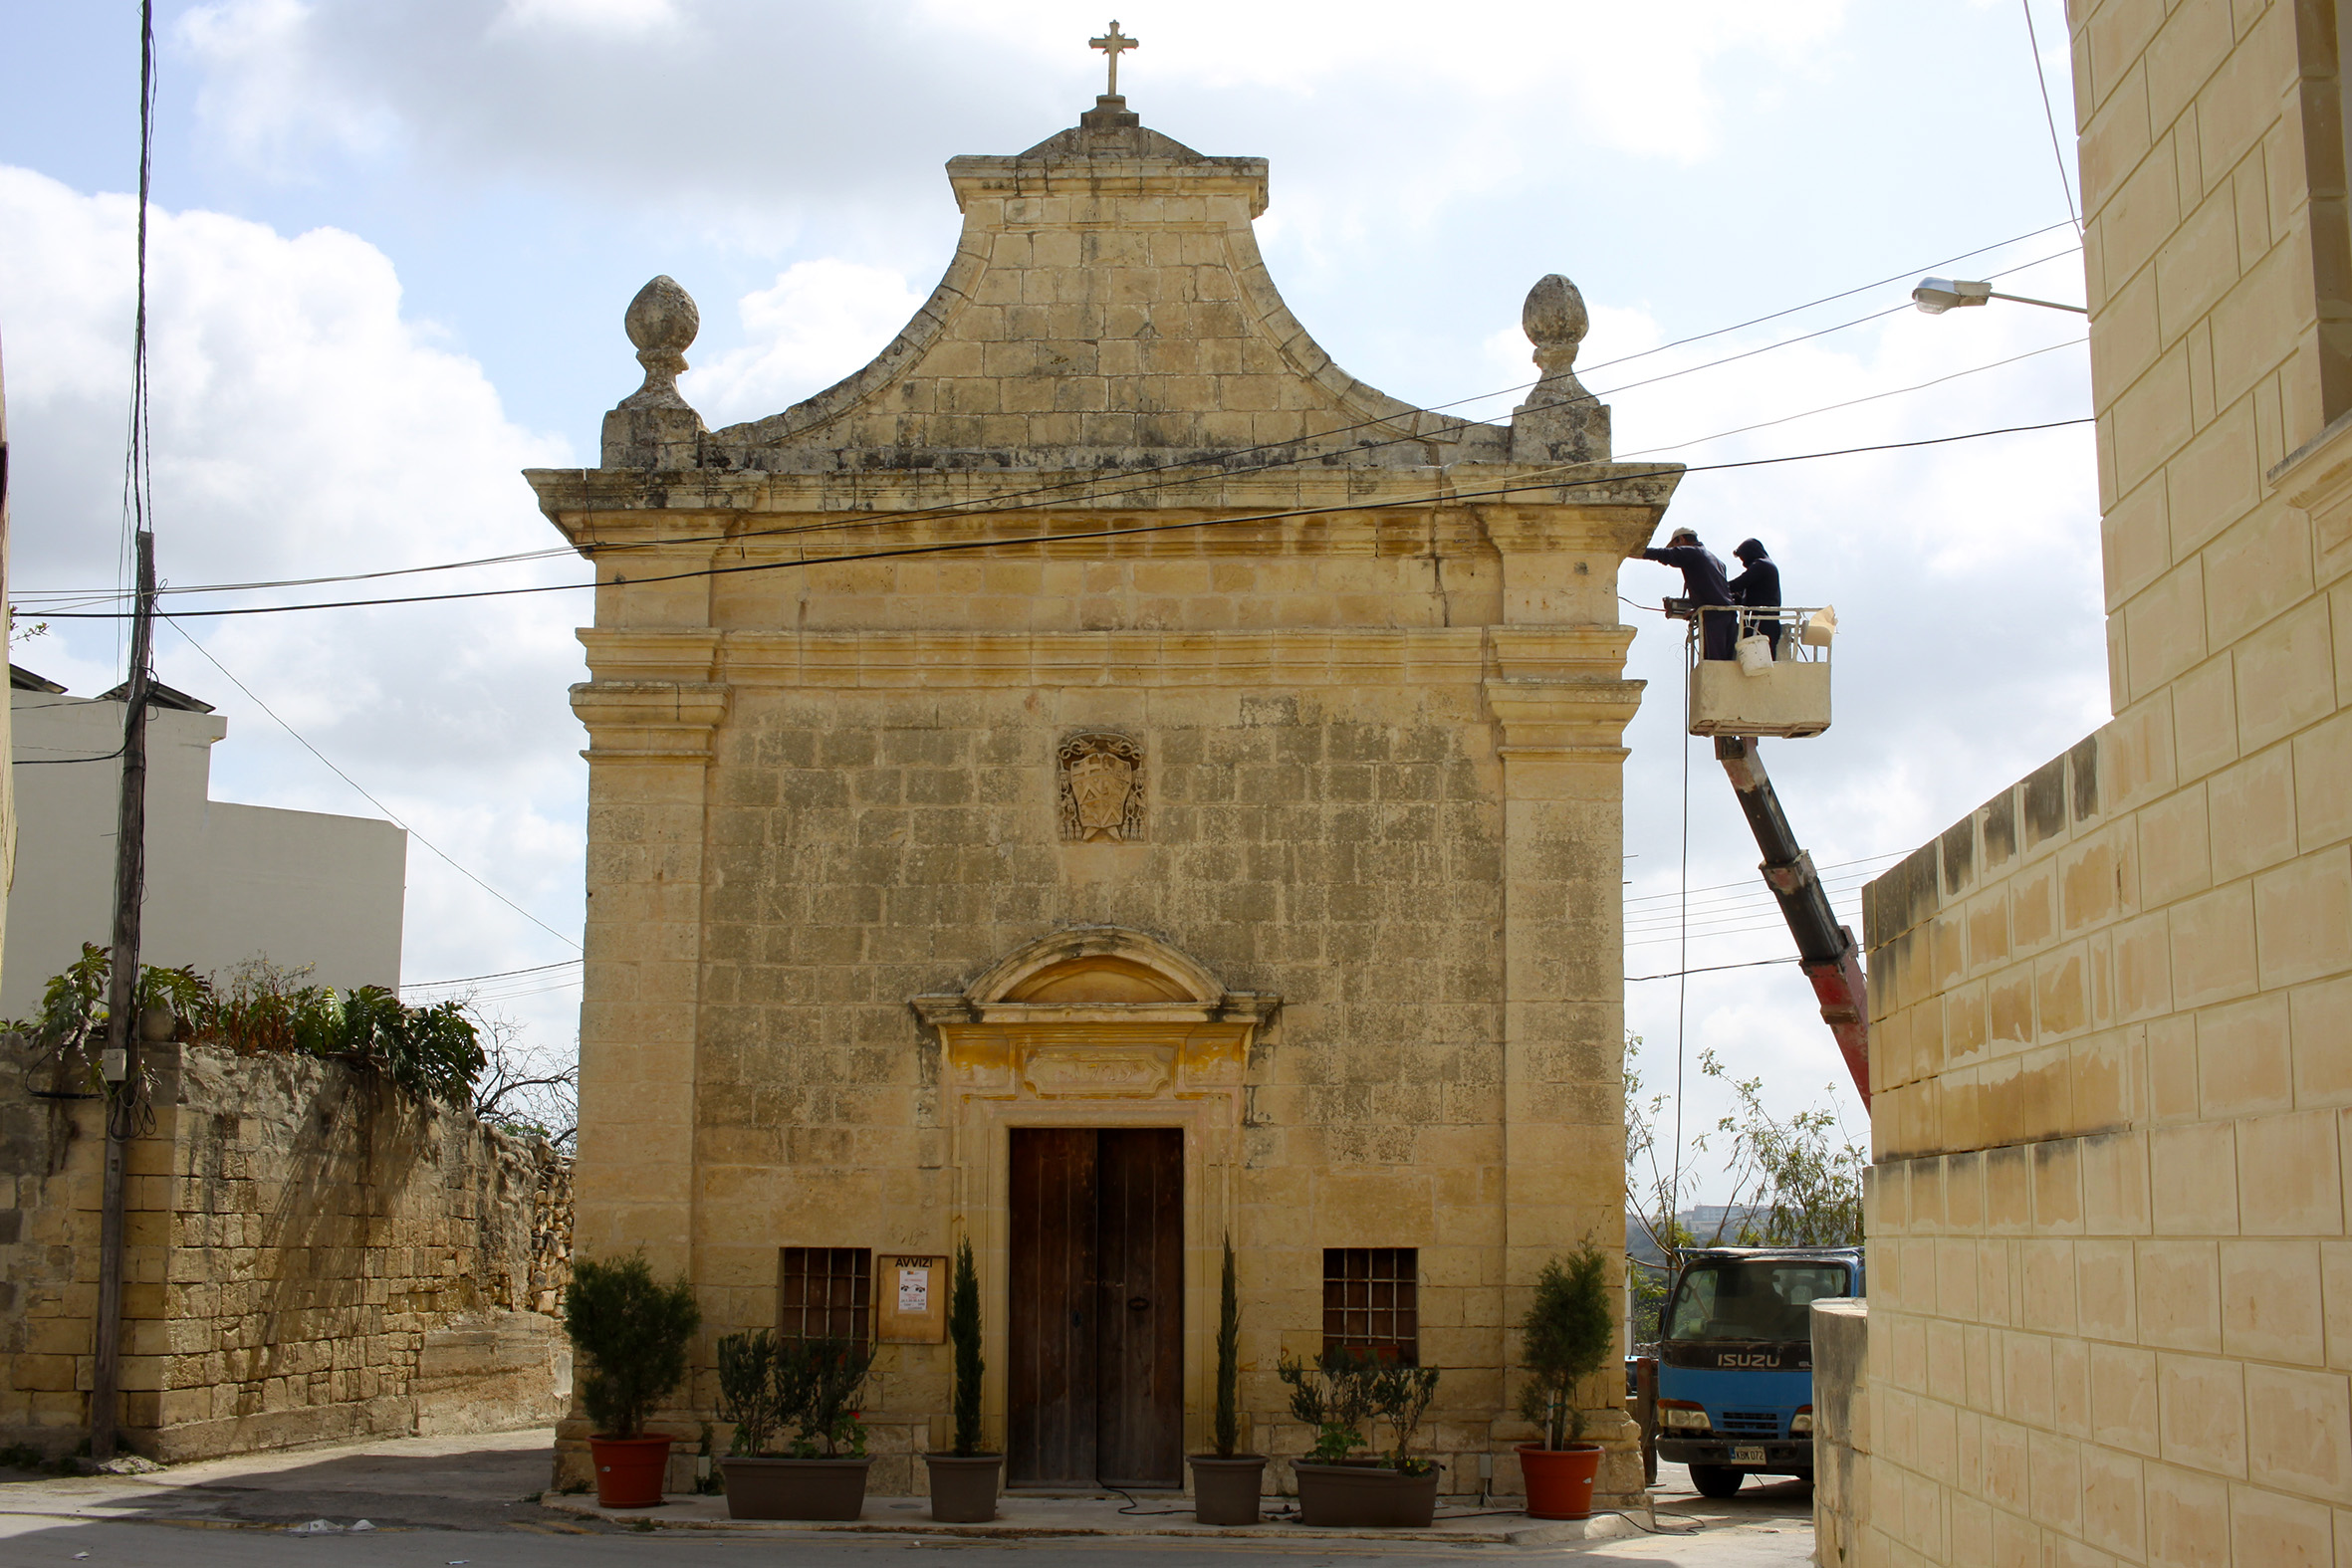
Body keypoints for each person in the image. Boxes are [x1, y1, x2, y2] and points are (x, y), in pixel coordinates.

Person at [1640, 527, 1736, 659]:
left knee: (1714, 663)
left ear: (1681, 539)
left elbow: (1662, 554)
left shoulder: (1693, 552)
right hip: (1728, 615)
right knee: (1725, 662)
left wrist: (1630, 551)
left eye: (1675, 545)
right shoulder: (1717, 561)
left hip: (1715, 617)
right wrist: (1696, 609)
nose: (1675, 550)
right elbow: (1715, 590)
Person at [1729, 538, 1782, 656]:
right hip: (1763, 622)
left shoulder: (1761, 565)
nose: (1743, 562)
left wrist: (1717, 586)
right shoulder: (1765, 565)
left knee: (1758, 660)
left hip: (1762, 622)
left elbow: (1739, 583)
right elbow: (1742, 594)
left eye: (1742, 557)